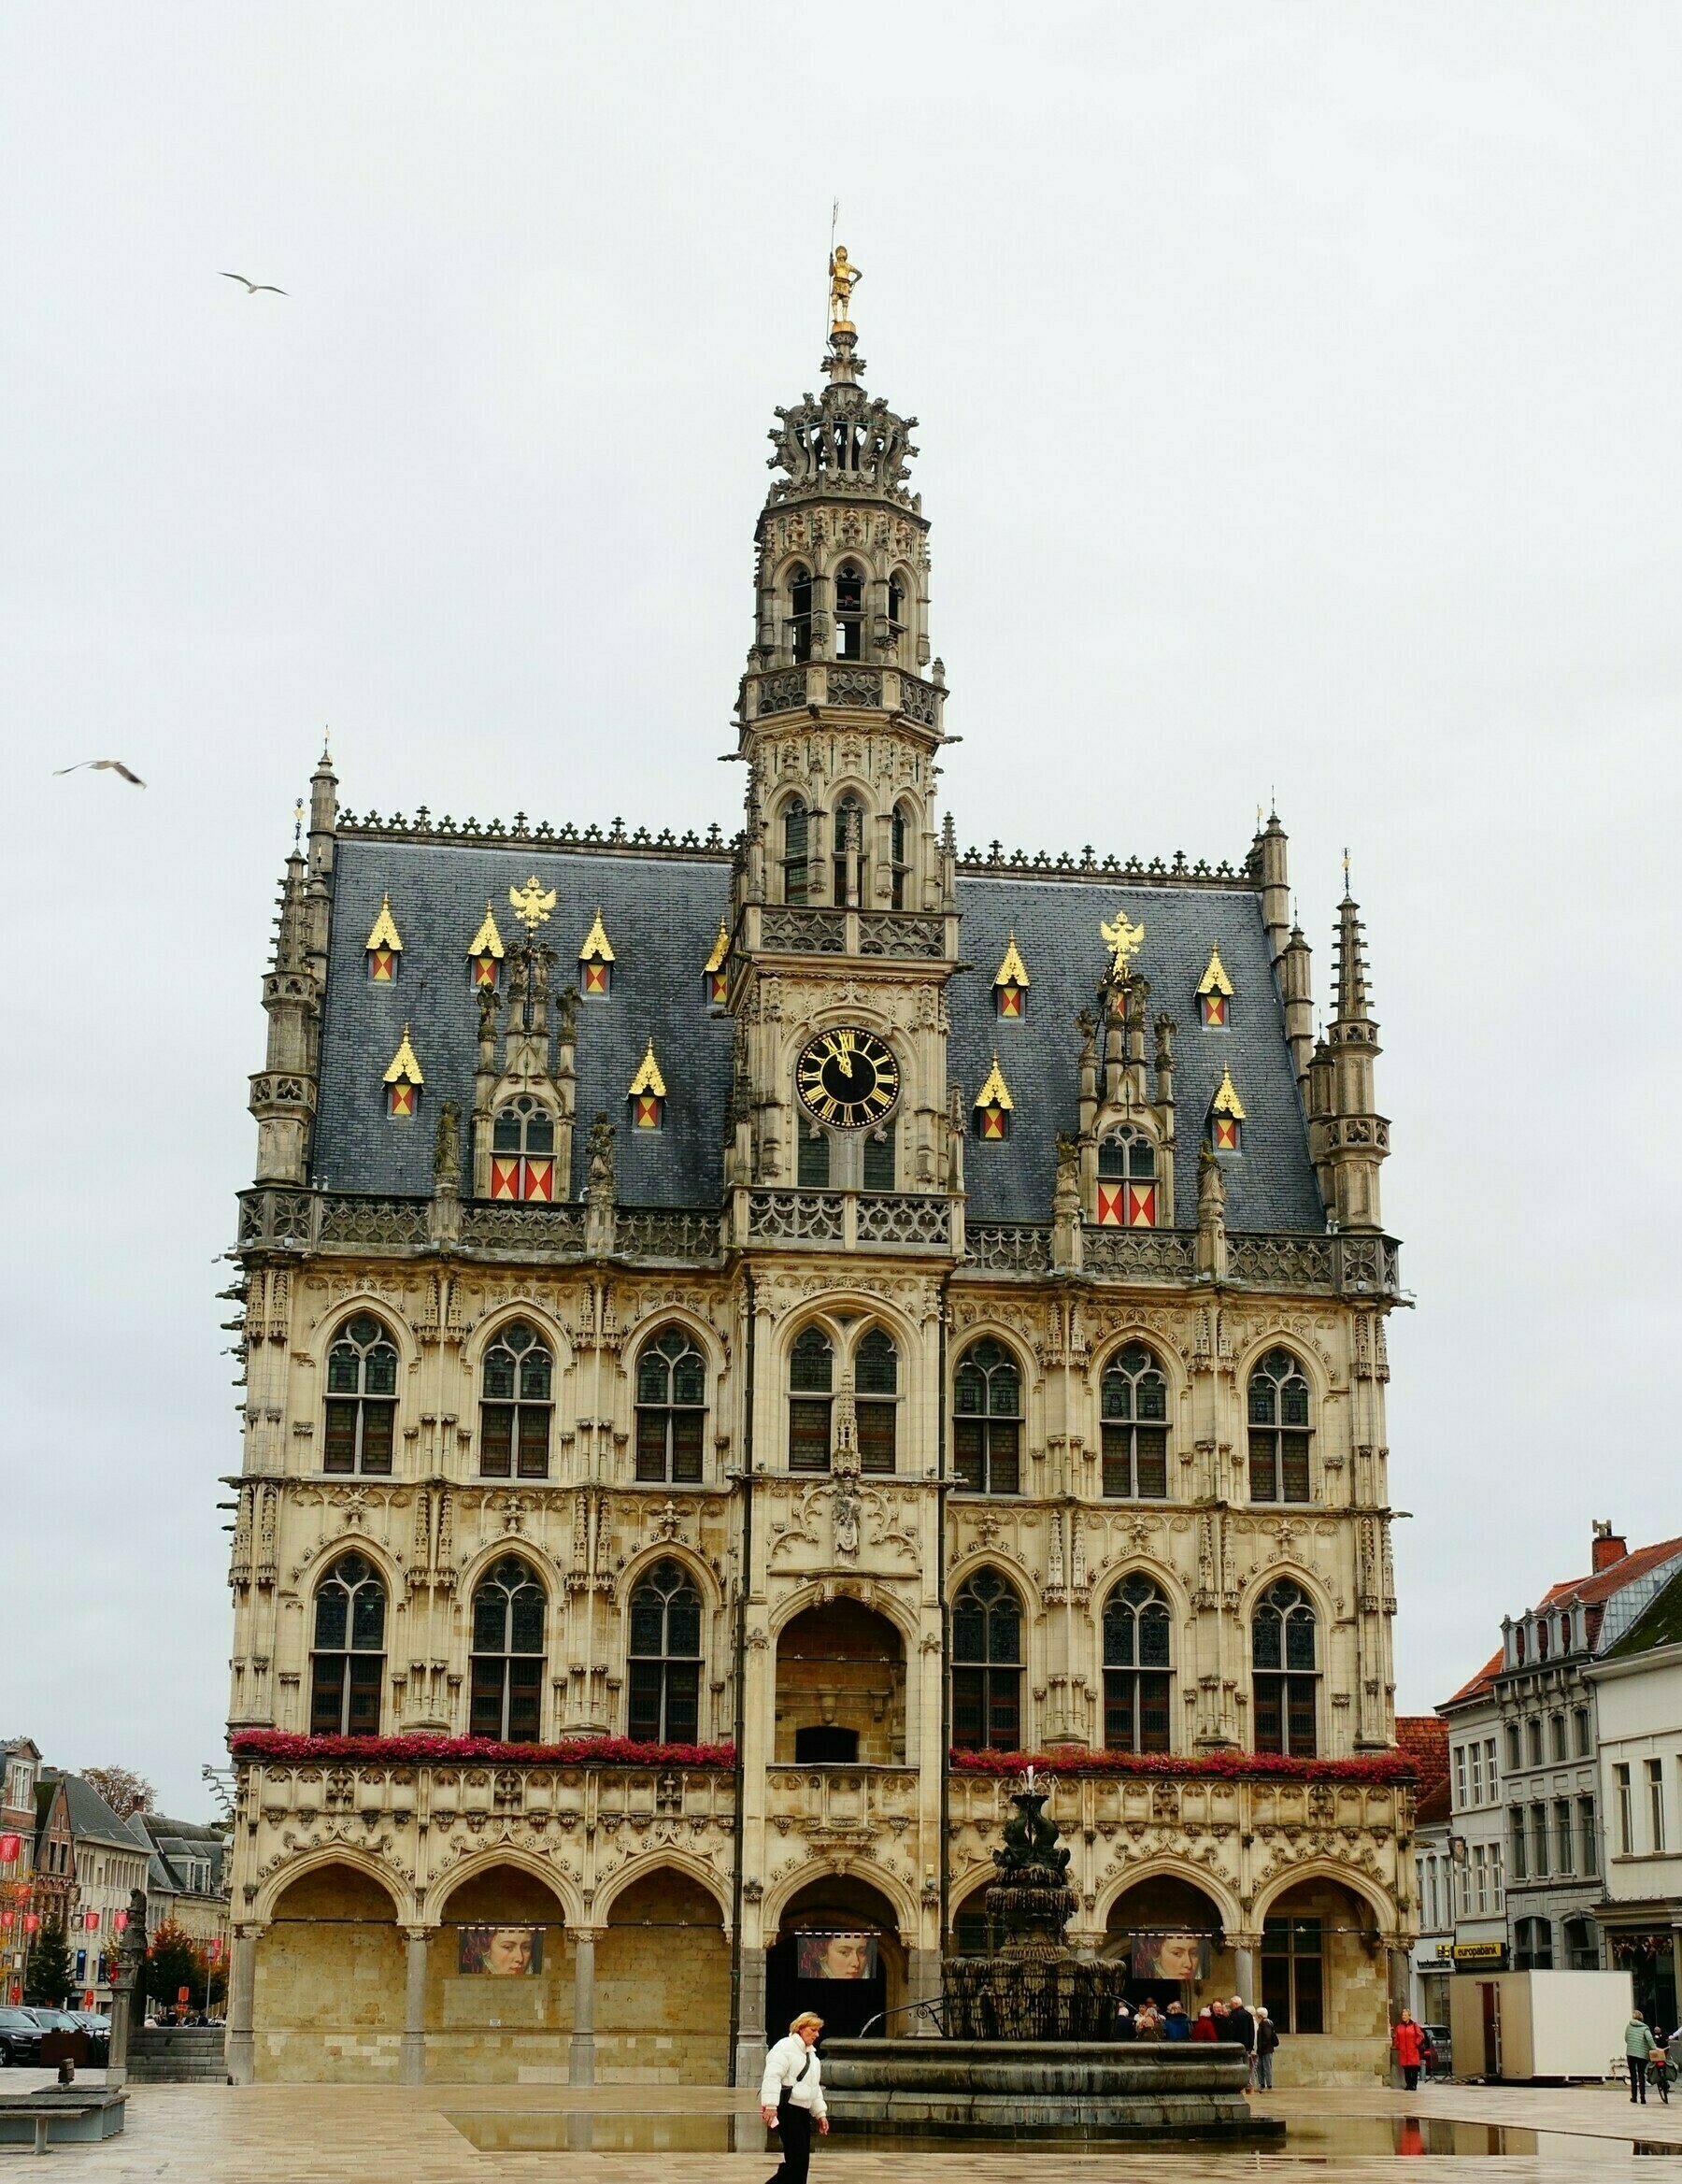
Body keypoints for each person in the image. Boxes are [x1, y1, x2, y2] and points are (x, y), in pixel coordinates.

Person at [761, 2011, 829, 2184]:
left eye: (818, 2031)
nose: (817, 2035)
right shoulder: (785, 2047)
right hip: (788, 2111)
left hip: (802, 2113)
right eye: (813, 2030)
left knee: (802, 2164)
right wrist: (770, 2106)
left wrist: (820, 2114)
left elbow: (814, 2088)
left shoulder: (811, 2056)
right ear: (800, 2028)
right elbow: (772, 2076)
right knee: (795, 2163)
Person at [1392, 2007, 1427, 2091]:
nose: (1403, 2017)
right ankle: (1408, 2084)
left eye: (1405, 2015)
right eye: (1403, 2015)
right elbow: (1396, 2038)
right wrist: (1398, 2045)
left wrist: (1416, 2043)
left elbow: (1420, 2036)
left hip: (1413, 2050)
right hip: (1404, 2051)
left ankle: (1414, 2084)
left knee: (1414, 2069)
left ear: (1409, 2016)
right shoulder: (1399, 2027)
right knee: (1406, 2069)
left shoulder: (1414, 2025)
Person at [1627, 2011, 1655, 2105]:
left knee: (1633, 2075)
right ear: (1642, 2018)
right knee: (1641, 2074)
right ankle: (1642, 2097)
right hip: (1642, 2054)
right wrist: (1654, 2048)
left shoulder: (1629, 2026)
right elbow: (1649, 2039)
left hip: (1631, 2053)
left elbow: (1626, 2038)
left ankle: (1634, 2097)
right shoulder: (1645, 2028)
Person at [1253, 2005, 1278, 2091]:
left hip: (1266, 2050)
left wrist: (1261, 2047)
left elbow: (1267, 2036)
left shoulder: (1265, 2023)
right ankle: (1262, 2083)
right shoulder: (1265, 2023)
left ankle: (1268, 2084)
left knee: (1266, 2066)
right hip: (1264, 2049)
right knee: (1261, 2067)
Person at [1650, 2027, 1671, 2106]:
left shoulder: (1653, 2038)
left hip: (1656, 2056)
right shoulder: (1664, 2037)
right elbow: (1667, 2046)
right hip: (1662, 2055)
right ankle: (1666, 2082)